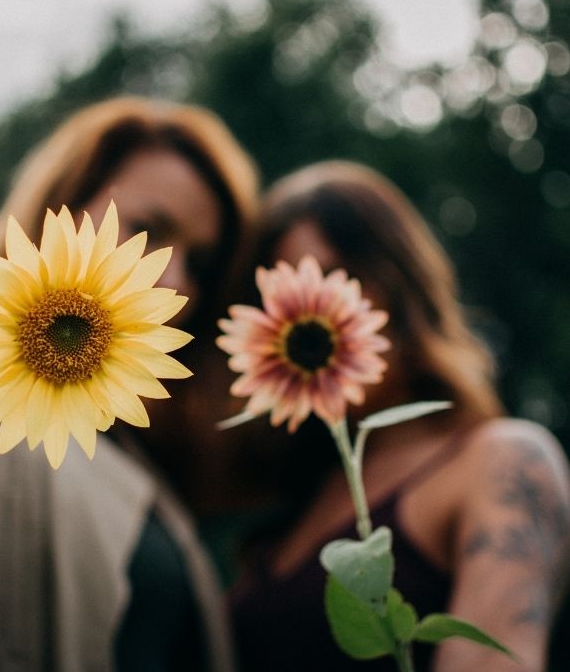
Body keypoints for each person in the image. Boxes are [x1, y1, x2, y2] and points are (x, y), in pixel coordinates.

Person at [0, 95, 260, 671]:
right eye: (148, 228)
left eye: (200, 265)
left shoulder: (139, 449)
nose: (173, 279)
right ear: (60, 208)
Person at [227, 161, 570, 671]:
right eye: (273, 301)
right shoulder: (290, 504)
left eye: (335, 279)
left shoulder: (500, 463)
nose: (302, 317)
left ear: (400, 286)